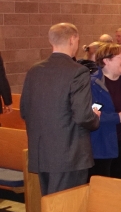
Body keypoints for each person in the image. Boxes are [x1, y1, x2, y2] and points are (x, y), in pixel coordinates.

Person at [21, 23, 100, 195]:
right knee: (68, 205)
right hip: (69, 154)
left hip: (42, 152)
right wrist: (95, 118)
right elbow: (82, 115)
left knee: (50, 203)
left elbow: (24, 110)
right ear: (72, 39)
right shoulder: (78, 71)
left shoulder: (34, 70)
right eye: (77, 41)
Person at [89, 43, 121, 179]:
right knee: (103, 183)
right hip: (103, 142)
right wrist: (117, 118)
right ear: (106, 60)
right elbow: (92, 114)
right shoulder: (94, 84)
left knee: (119, 181)